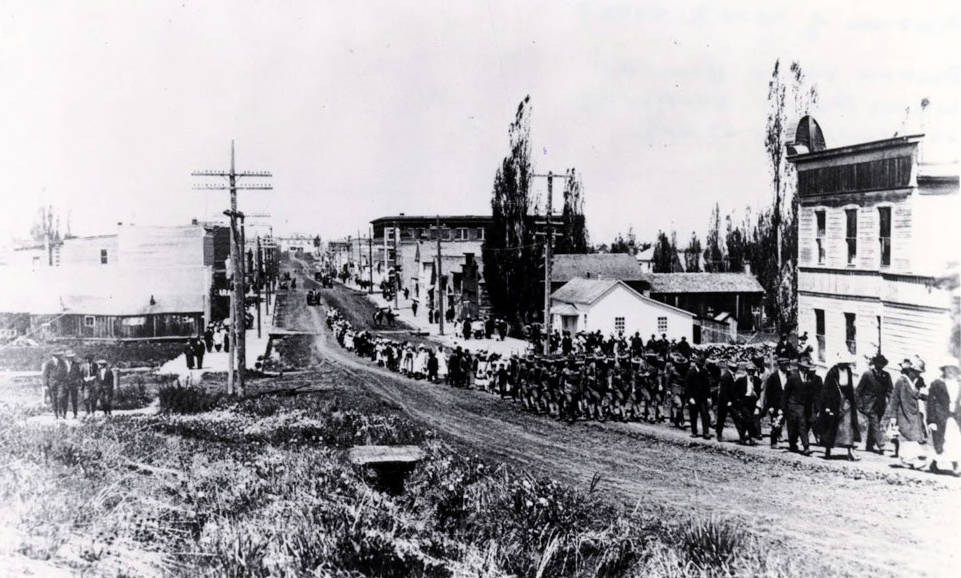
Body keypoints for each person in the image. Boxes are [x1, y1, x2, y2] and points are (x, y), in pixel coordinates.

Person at [883, 357, 929, 469]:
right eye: (916, 372)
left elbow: (915, 394)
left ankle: (906, 460)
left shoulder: (913, 383)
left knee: (911, 436)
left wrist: (926, 397)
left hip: (912, 413)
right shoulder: (901, 381)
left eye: (919, 372)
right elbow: (894, 399)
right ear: (910, 371)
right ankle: (911, 459)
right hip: (902, 413)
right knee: (908, 436)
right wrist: (893, 416)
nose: (918, 375)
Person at [815, 353, 862, 461]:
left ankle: (850, 451)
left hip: (846, 403)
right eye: (844, 363)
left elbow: (850, 388)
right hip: (834, 403)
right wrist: (827, 406)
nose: (845, 365)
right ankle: (828, 450)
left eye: (847, 363)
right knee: (831, 427)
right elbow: (826, 390)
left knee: (849, 427)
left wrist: (851, 401)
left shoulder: (849, 371)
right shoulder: (832, 372)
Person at [926, 357, 961, 476]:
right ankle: (934, 463)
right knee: (940, 442)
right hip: (941, 416)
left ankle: (956, 465)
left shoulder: (959, 384)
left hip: (955, 417)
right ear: (944, 370)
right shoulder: (937, 384)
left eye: (953, 369)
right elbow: (931, 402)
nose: (951, 371)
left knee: (955, 441)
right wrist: (931, 420)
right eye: (948, 369)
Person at [856, 353, 893, 454]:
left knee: (874, 424)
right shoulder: (867, 374)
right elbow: (859, 390)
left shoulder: (886, 375)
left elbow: (890, 390)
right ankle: (881, 446)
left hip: (881, 404)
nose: (880, 366)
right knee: (875, 423)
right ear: (875, 363)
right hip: (869, 403)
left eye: (882, 364)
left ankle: (869, 445)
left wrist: (891, 402)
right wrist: (859, 404)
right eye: (878, 363)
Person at [782, 359, 815, 453]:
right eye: (805, 368)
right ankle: (805, 447)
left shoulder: (808, 378)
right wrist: (783, 407)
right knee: (798, 424)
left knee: (798, 425)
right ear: (801, 368)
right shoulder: (793, 377)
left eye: (807, 368)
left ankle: (795, 444)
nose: (807, 369)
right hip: (793, 405)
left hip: (804, 406)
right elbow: (786, 393)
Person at [760, 358, 789, 447]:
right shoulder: (773, 377)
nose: (787, 367)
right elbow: (768, 392)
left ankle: (779, 434)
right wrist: (770, 406)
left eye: (787, 365)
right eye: (785, 365)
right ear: (780, 366)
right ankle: (773, 441)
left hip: (785, 403)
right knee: (775, 422)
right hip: (775, 403)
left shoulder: (789, 375)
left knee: (782, 422)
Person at [684, 354, 711, 439]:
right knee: (693, 415)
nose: (700, 365)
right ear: (696, 363)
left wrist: (709, 397)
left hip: (703, 397)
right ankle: (694, 431)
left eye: (701, 364)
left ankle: (706, 432)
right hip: (694, 397)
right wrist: (690, 398)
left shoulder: (704, 372)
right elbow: (687, 387)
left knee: (705, 415)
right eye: (699, 363)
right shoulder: (690, 372)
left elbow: (707, 386)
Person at [714, 360, 739, 442]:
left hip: (731, 400)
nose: (736, 368)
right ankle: (719, 434)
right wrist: (727, 401)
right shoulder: (726, 376)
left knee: (736, 417)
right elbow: (723, 390)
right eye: (734, 367)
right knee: (721, 418)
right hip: (724, 401)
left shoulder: (731, 375)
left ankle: (741, 435)